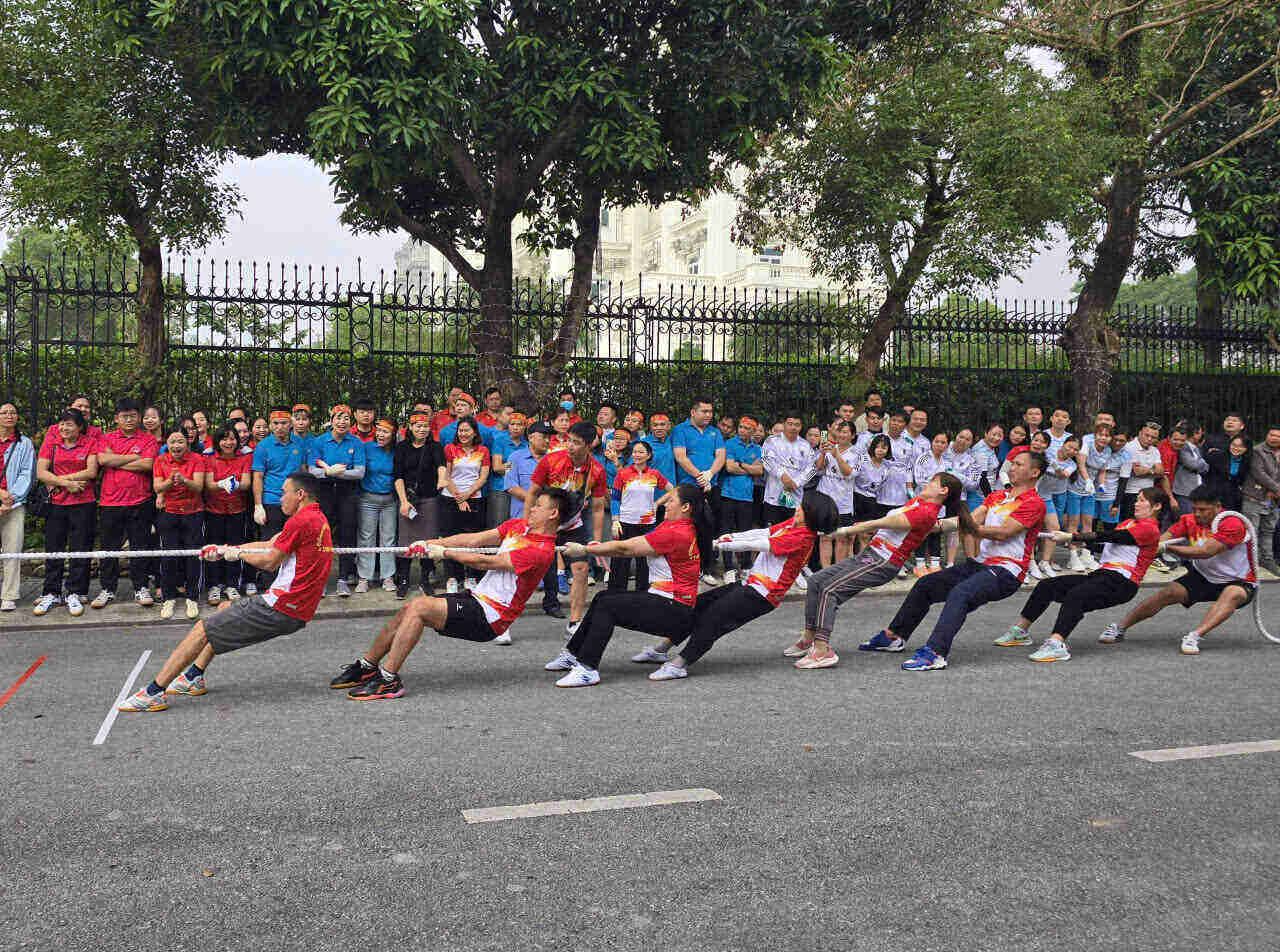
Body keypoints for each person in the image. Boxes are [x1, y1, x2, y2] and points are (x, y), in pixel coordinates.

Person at [117, 472, 333, 712]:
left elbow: (270, 561)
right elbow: (270, 544)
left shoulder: (301, 521)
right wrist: (226, 549)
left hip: (282, 606)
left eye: (284, 493)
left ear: (300, 495)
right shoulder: (316, 518)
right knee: (223, 608)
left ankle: (153, 693)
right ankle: (193, 677)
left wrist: (238, 555)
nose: (281, 498)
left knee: (201, 629)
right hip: (295, 608)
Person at [334, 488, 568, 698]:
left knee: (419, 608)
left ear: (553, 514)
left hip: (492, 617)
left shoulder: (541, 550)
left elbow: (487, 562)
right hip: (477, 599)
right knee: (409, 608)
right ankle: (367, 666)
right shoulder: (518, 526)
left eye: (539, 505)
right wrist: (433, 542)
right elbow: (474, 540)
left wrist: (443, 553)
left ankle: (388, 680)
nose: (533, 507)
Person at [632, 490, 840, 680]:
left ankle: (679, 663)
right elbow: (759, 534)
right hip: (749, 585)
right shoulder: (793, 524)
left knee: (713, 620)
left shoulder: (804, 537)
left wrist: (721, 544)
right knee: (695, 607)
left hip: (762, 595)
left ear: (811, 513)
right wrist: (727, 538)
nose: (797, 508)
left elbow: (759, 545)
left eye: (802, 507)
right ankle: (661, 649)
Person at [875, 450, 1048, 671]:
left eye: (1019, 464)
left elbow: (1003, 532)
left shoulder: (1034, 503)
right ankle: (894, 636)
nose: (1012, 468)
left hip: (1007, 571)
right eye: (1012, 464)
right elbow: (968, 520)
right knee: (925, 585)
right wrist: (931, 526)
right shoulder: (997, 496)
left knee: (961, 593)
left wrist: (968, 526)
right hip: (980, 565)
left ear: (1034, 472)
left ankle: (935, 653)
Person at [786, 475, 976, 668]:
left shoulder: (927, 511)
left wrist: (845, 531)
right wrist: (953, 523)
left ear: (943, 491)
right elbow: (927, 526)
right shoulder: (920, 503)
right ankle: (809, 637)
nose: (927, 483)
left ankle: (822, 648)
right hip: (870, 554)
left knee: (829, 589)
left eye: (933, 481)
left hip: (884, 561)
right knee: (816, 580)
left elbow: (885, 522)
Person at [544, 484, 704, 687]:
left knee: (608, 606)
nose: (666, 504)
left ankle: (587, 668)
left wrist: (585, 549)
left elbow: (625, 548)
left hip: (674, 611)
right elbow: (636, 541)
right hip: (669, 603)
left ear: (685, 507)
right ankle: (573, 653)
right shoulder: (671, 527)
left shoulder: (676, 533)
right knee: (603, 597)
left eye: (671, 500)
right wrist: (598, 547)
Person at [996, 486, 1167, 662]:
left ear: (1157, 506)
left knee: (1076, 596)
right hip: (1102, 575)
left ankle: (1057, 643)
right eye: (1137, 499)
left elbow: (1111, 536)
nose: (1136, 504)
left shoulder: (1150, 529)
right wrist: (1069, 540)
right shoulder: (1128, 524)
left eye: (1142, 500)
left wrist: (1071, 537)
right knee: (1047, 586)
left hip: (1123, 582)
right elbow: (1108, 542)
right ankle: (1020, 631)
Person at [1099, 485, 1258, 655]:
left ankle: (1195, 636)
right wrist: (1152, 545)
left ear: (1218, 507)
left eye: (1203, 510)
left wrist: (1167, 549)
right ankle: (1120, 628)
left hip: (1239, 580)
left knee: (1233, 594)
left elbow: (1205, 552)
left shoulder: (1232, 523)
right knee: (1167, 593)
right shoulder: (1189, 520)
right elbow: (1162, 539)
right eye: (1195, 508)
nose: (1197, 514)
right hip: (1204, 576)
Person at [528, 420, 608, 630]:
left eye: (577, 442)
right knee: (526, 569)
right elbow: (533, 493)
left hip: (573, 526)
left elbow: (598, 508)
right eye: (569, 441)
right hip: (545, 524)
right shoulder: (550, 461)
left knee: (581, 569)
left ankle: (574, 622)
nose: (570, 446)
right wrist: (527, 522)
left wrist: (596, 540)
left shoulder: (597, 471)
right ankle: (504, 621)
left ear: (589, 445)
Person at [92, 398, 160, 609]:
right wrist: (133, 457)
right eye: (124, 416)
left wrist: (117, 460)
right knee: (109, 548)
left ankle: (140, 587)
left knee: (139, 546)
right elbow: (103, 460)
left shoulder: (148, 439)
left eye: (132, 416)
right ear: (116, 418)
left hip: (140, 501)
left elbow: (148, 464)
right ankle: (107, 589)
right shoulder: (106, 438)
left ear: (139, 417)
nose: (129, 420)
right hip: (110, 502)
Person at [33, 409, 98, 617]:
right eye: (62, 423)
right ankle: (51, 592)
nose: (64, 428)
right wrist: (66, 484)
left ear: (79, 427)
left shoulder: (89, 443)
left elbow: (91, 471)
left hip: (83, 502)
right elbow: (41, 472)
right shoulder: (51, 443)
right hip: (56, 503)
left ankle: (75, 592)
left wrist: (63, 479)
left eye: (69, 424)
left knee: (79, 547)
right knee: (54, 547)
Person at [309, 404, 367, 596]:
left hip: (348, 493)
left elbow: (359, 472)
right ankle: (321, 579)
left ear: (351, 422)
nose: (342, 422)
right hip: (324, 493)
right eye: (338, 418)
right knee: (322, 535)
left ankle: (343, 578)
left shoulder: (356, 443)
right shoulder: (319, 442)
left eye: (346, 419)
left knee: (347, 534)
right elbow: (312, 470)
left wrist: (336, 472)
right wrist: (327, 472)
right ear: (331, 420)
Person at [251, 407, 308, 595]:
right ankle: (268, 586)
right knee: (272, 545)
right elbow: (258, 477)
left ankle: (294, 585)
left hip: (296, 504)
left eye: (284, 423)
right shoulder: (263, 446)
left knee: (296, 545)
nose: (280, 427)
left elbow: (303, 472)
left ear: (290, 424)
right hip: (272, 501)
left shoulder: (299, 444)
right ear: (270, 425)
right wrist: (258, 506)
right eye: (276, 423)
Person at [153, 426, 208, 620]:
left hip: (194, 512)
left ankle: (192, 597)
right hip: (169, 512)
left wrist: (183, 480)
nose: (176, 446)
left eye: (180, 441)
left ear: (188, 442)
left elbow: (199, 487)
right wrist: (169, 482)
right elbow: (157, 486)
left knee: (194, 556)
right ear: (166, 444)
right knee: (168, 556)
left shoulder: (198, 460)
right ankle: (169, 597)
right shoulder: (160, 460)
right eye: (172, 442)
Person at [392, 410, 447, 598]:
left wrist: (442, 480)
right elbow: (398, 476)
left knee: (428, 539)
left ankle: (425, 579)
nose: (422, 429)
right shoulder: (402, 448)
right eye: (418, 426)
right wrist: (403, 502)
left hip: (430, 498)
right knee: (405, 540)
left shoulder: (435, 447)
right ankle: (404, 580)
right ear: (411, 426)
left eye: (425, 426)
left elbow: (441, 466)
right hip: (407, 498)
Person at [672, 398, 727, 583]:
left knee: (709, 528)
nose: (708, 415)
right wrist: (699, 476)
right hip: (689, 487)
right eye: (704, 411)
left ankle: (706, 568)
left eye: (710, 411)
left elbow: (720, 456)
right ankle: (685, 568)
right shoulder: (680, 430)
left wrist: (710, 474)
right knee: (688, 529)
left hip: (711, 485)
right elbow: (681, 457)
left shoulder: (715, 432)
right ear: (693, 412)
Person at [608, 438, 672, 592]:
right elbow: (615, 499)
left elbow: (673, 490)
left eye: (641, 452)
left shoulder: (654, 474)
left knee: (645, 561)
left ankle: (643, 594)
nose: (637, 455)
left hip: (647, 524)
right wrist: (615, 521)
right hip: (625, 522)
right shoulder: (623, 473)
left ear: (648, 455)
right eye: (635, 452)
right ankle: (616, 594)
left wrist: (658, 503)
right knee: (620, 560)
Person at [438, 416, 491, 592]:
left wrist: (467, 496)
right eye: (460, 430)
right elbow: (447, 476)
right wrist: (458, 497)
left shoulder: (483, 450)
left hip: (474, 498)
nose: (463, 434)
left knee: (472, 539)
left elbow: (483, 477)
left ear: (474, 432)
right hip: (450, 498)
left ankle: (471, 576)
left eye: (467, 430)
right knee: (450, 538)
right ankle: (452, 577)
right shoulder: (450, 449)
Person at [203, 426, 253, 604]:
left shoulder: (244, 458)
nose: (228, 442)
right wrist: (223, 484)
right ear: (217, 442)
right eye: (224, 439)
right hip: (213, 510)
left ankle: (232, 585)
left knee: (234, 549)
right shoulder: (209, 458)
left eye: (232, 439)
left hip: (237, 510)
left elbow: (246, 483)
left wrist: (235, 485)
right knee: (214, 550)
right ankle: (214, 586)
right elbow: (208, 484)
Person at [0, 401, 35, 611]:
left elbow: (27, 474)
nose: (9, 415)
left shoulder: (25, 443)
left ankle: (9, 595)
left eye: (13, 412)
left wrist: (10, 499)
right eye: (4, 412)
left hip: (13, 504)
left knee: (12, 550)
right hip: (4, 497)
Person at [719, 416, 763, 582]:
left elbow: (760, 471)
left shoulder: (757, 448)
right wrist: (750, 469)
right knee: (727, 532)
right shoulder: (730, 444)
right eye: (741, 427)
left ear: (753, 431)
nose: (743, 430)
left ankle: (745, 566)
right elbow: (729, 467)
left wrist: (742, 465)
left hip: (747, 496)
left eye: (747, 428)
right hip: (728, 494)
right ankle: (728, 568)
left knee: (746, 533)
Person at [357, 419, 399, 592]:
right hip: (368, 499)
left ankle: (387, 577)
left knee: (388, 538)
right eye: (379, 431)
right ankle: (364, 578)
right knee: (366, 537)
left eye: (386, 432)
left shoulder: (397, 451)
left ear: (393, 435)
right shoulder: (366, 448)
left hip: (390, 500)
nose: (381, 435)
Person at [1066, 421, 1111, 571]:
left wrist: (1102, 485)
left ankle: (1085, 554)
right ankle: (1073, 557)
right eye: (1101, 435)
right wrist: (1087, 480)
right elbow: (1081, 464)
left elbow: (1102, 471)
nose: (1103, 438)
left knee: (1088, 524)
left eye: (1106, 435)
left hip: (1090, 492)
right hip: (1075, 489)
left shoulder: (1107, 451)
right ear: (1095, 435)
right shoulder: (1087, 443)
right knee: (1073, 524)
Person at [761, 412, 814, 530]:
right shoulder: (772, 441)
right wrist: (782, 476)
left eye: (797, 424)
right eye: (790, 424)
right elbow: (767, 460)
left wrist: (796, 482)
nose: (793, 427)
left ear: (801, 427)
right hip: (773, 498)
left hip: (795, 500)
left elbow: (812, 469)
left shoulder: (805, 445)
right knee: (772, 534)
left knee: (791, 535)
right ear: (784, 424)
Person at [911, 431, 951, 574]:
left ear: (947, 445)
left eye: (943, 442)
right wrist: (936, 488)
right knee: (922, 532)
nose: (939, 445)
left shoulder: (947, 462)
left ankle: (935, 563)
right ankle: (920, 564)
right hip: (925, 501)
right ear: (932, 442)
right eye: (937, 441)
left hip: (940, 503)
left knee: (936, 532)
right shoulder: (923, 458)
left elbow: (950, 481)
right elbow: (919, 479)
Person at [488, 411, 526, 529]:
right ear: (508, 426)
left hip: (520, 490)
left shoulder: (527, 445)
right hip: (500, 488)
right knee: (499, 525)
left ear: (524, 427)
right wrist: (517, 467)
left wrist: (508, 466)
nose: (515, 427)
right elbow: (497, 467)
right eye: (512, 424)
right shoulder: (500, 441)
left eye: (519, 424)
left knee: (517, 524)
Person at [1119, 422, 1163, 522]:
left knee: (1145, 523)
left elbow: (1161, 472)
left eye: (1153, 437)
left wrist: (1146, 470)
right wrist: (1152, 470)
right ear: (1139, 433)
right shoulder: (1129, 447)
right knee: (1130, 523)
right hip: (1131, 493)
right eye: (1147, 435)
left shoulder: (1155, 450)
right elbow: (1137, 471)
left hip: (1149, 494)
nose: (1149, 439)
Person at [504, 422, 550, 519]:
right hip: (520, 517)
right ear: (530, 438)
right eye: (544, 437)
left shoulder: (553, 460)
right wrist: (537, 501)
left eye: (549, 437)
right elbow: (510, 486)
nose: (547, 441)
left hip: (546, 518)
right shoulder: (512, 457)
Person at [1172, 421, 1208, 515]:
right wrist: (1202, 462)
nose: (1202, 435)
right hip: (1184, 491)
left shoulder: (1195, 447)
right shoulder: (1184, 446)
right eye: (1200, 433)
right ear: (1194, 434)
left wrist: (1200, 463)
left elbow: (1206, 468)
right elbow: (1192, 465)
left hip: (1195, 489)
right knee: (1186, 518)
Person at [854, 433, 891, 523]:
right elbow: (852, 475)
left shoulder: (887, 466)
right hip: (856, 497)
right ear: (872, 447)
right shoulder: (862, 459)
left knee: (866, 529)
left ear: (888, 450)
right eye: (877, 447)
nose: (880, 450)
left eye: (883, 448)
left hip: (872, 500)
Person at [646, 414, 677, 485]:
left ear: (669, 426)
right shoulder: (644, 443)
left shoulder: (674, 441)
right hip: (651, 489)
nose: (659, 428)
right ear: (651, 427)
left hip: (671, 489)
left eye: (662, 425)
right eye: (655, 425)